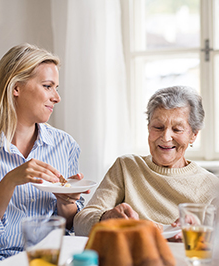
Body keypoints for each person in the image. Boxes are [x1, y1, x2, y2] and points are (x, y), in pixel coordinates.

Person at [0, 43, 88, 266]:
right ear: (16, 88)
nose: (57, 97)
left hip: (49, 254)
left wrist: (66, 202)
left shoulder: (65, 145)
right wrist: (10, 180)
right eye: (48, 87)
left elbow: (71, 223)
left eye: (56, 88)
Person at [74, 85, 219, 238]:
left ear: (194, 135)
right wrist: (106, 218)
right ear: (149, 127)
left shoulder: (211, 185)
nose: (166, 137)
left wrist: (201, 237)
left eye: (177, 129)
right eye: (158, 127)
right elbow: (79, 224)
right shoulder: (126, 167)